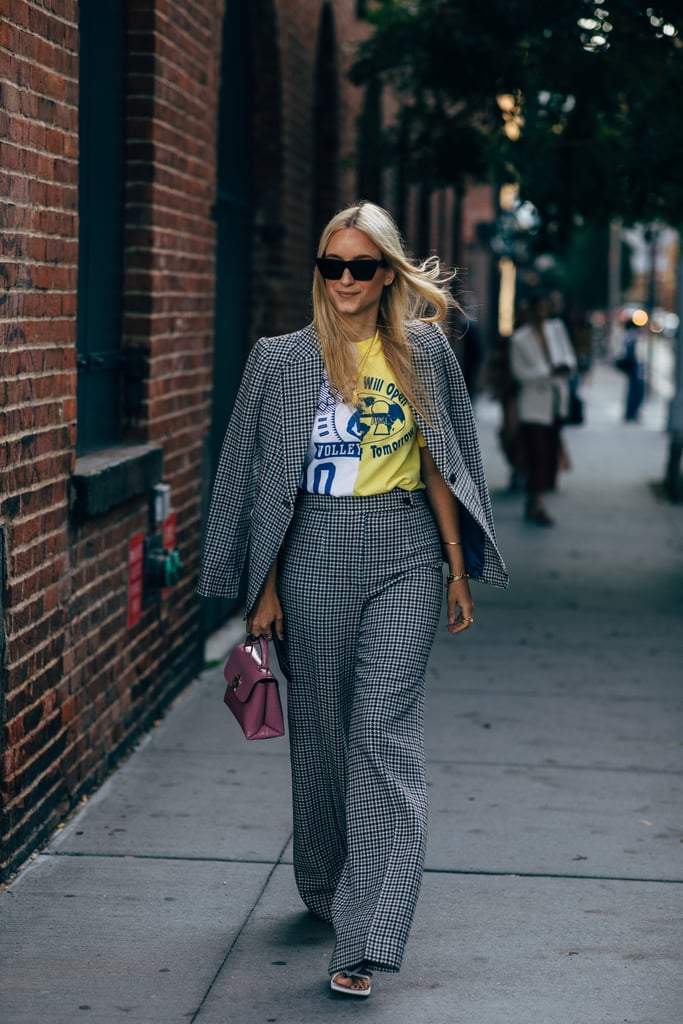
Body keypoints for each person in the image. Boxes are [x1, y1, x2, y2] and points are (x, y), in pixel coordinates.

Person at [197, 202, 507, 997]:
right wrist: (256, 590)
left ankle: (365, 935)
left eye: (361, 267)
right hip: (312, 554)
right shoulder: (279, 360)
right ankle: (324, 881)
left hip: (406, 550)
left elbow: (443, 461)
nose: (344, 280)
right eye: (331, 266)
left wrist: (456, 569)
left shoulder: (424, 353)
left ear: (387, 274)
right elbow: (252, 477)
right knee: (325, 735)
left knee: (381, 732)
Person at [510, 291, 577, 526]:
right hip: (533, 405)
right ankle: (537, 502)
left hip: (557, 401)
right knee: (536, 454)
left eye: (544, 309)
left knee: (549, 455)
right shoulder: (520, 338)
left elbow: (570, 357)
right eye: (536, 309)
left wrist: (565, 367)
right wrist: (548, 372)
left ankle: (534, 499)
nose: (541, 314)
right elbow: (519, 373)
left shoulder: (556, 329)